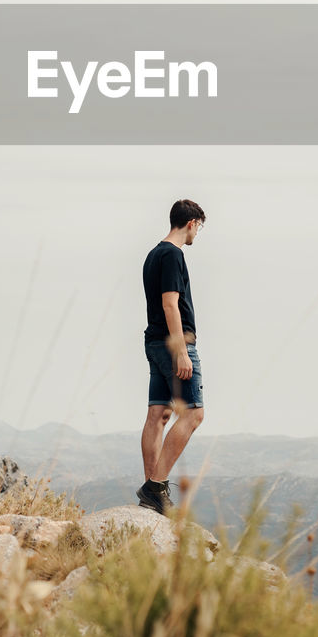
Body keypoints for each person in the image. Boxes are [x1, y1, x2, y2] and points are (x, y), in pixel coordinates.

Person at [137, 198, 206, 515]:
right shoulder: (173, 254)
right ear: (191, 223)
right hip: (171, 343)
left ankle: (152, 490)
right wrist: (181, 350)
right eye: (199, 228)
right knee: (193, 415)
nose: (197, 235)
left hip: (153, 341)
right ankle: (156, 487)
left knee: (158, 414)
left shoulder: (153, 254)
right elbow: (170, 303)